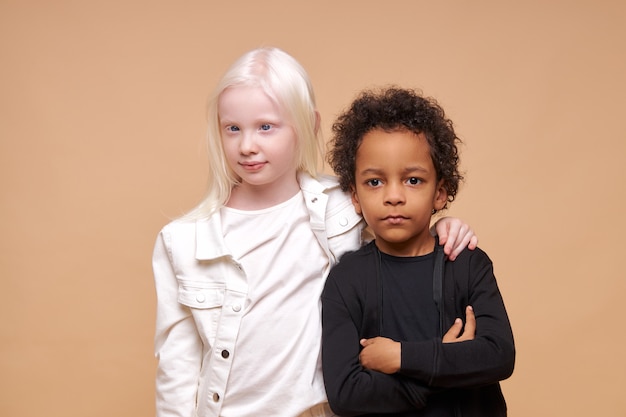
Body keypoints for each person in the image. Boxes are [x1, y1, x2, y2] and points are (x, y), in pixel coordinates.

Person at [152, 48, 478, 417]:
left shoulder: (343, 207)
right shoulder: (182, 241)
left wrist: (441, 226)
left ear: (308, 124)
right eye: (233, 129)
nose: (247, 145)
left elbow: (401, 236)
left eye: (266, 126)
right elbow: (177, 370)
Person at [322, 87, 515, 416]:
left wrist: (400, 358)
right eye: (374, 182)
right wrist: (444, 367)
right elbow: (346, 394)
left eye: (412, 180)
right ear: (354, 197)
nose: (393, 196)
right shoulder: (347, 280)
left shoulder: (466, 263)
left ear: (440, 193)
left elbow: (498, 356)